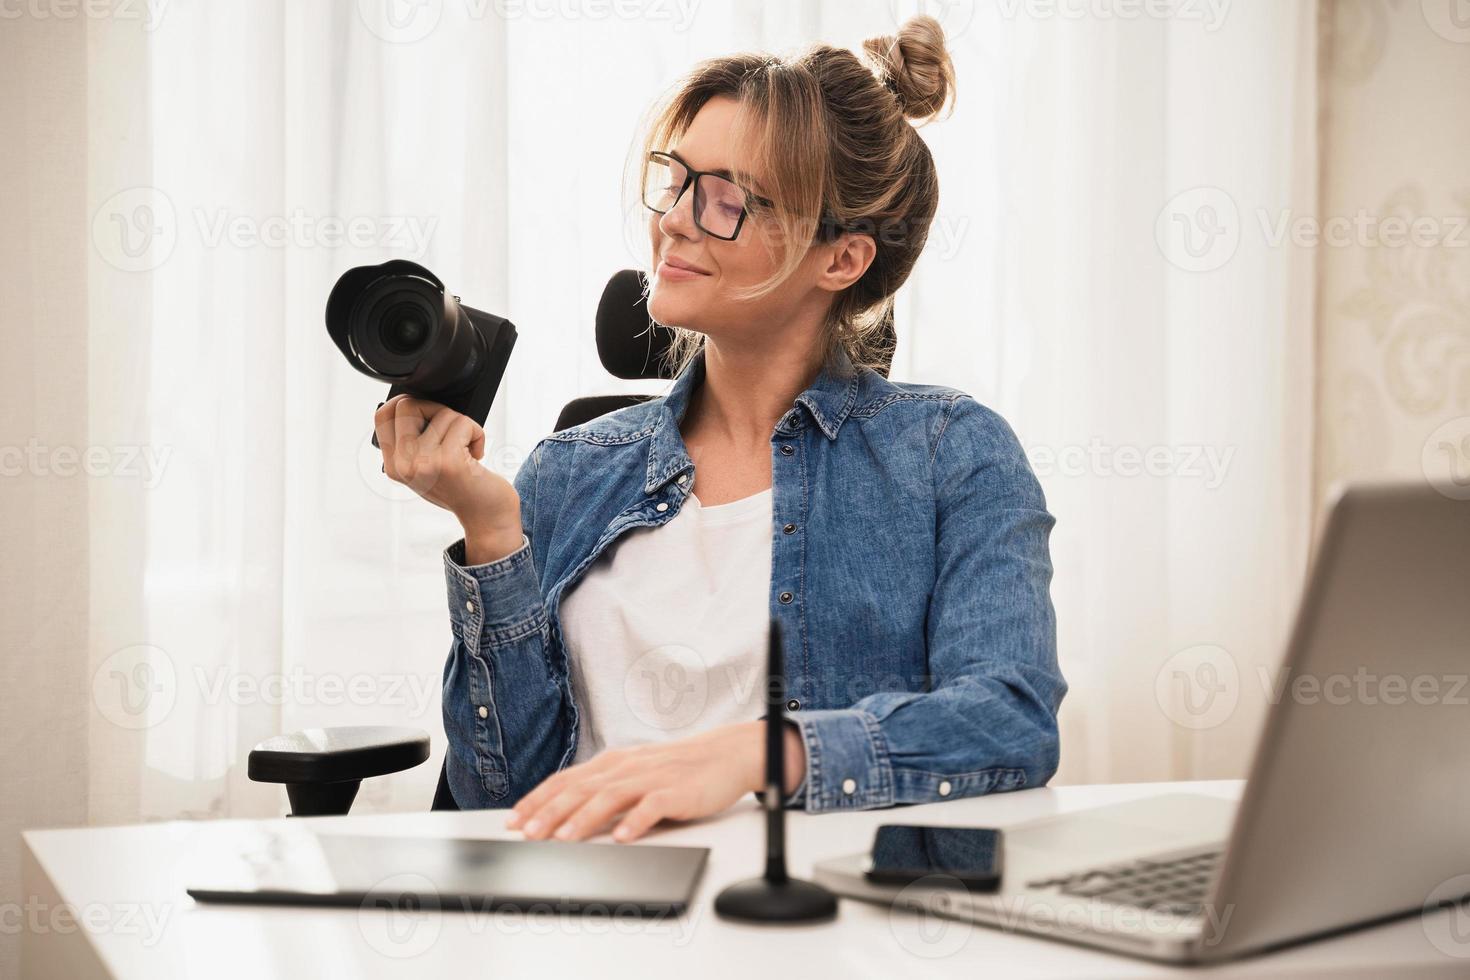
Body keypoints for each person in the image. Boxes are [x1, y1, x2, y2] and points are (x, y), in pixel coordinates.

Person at [374, 15, 1066, 843]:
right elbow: (499, 799)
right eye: (676, 180)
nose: (674, 220)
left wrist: (756, 755)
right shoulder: (567, 473)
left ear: (841, 259)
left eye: (728, 199)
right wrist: (489, 533)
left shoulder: (952, 456)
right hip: (587, 918)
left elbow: (1010, 720)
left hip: (814, 921)